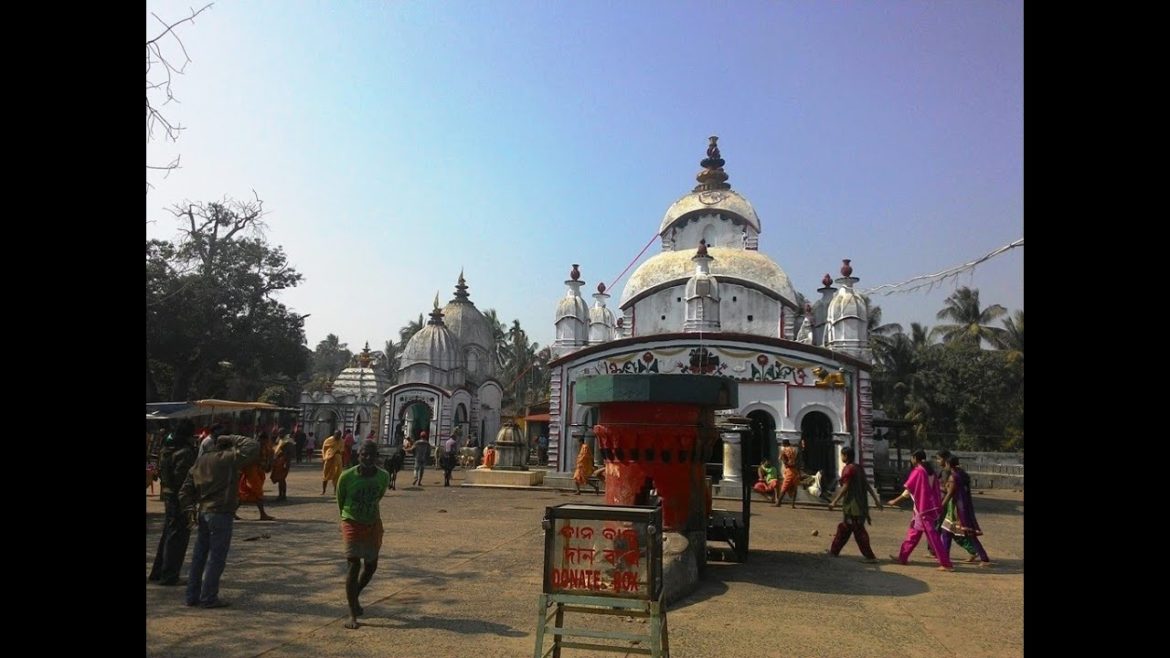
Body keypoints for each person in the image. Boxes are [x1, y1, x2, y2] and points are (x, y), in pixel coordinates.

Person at [179, 433, 260, 608]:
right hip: (221, 513)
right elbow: (253, 446)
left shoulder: (200, 461)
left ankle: (192, 596)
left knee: (199, 556)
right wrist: (232, 437)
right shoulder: (229, 459)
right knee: (216, 558)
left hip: (203, 511)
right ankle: (208, 597)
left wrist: (189, 509)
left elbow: (185, 490)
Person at [337, 440, 391, 630]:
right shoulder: (346, 476)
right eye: (363, 455)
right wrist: (348, 518)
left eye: (371, 455)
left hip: (372, 522)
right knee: (353, 564)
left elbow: (379, 496)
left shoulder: (383, 476)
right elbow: (340, 499)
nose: (367, 458)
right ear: (357, 456)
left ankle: (355, 594)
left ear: (377, 457)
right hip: (351, 521)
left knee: (371, 566)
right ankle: (352, 613)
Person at [148, 420, 198, 586]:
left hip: (169, 493)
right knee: (178, 535)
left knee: (169, 533)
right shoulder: (184, 452)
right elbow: (184, 479)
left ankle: (158, 571)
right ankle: (170, 575)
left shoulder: (166, 450)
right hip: (180, 496)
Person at [887, 450, 954, 571]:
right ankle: (903, 556)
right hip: (927, 507)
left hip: (923, 509)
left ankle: (946, 563)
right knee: (914, 533)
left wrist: (895, 501)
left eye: (912, 458)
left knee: (933, 537)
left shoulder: (918, 471)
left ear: (914, 458)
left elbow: (908, 491)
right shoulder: (930, 471)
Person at [827, 446, 883, 561]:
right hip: (859, 505)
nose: (841, 457)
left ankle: (870, 556)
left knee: (858, 532)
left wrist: (834, 501)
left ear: (846, 456)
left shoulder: (848, 469)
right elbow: (867, 485)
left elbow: (845, 487)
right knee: (845, 529)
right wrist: (876, 501)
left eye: (842, 455)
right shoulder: (859, 468)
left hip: (853, 506)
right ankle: (834, 550)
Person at [939, 455, 992, 566]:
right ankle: (944, 558)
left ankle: (984, 558)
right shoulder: (962, 474)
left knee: (967, 534)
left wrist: (940, 506)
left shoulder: (953, 477)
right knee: (947, 532)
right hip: (961, 508)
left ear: (949, 464)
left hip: (956, 510)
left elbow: (950, 494)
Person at [237, 432, 276, 521]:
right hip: (251, 472)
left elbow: (268, 458)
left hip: (258, 472)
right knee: (258, 493)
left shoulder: (266, 447)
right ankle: (263, 514)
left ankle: (233, 512)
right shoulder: (254, 448)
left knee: (246, 494)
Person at [270, 429, 293, 501]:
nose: (279, 435)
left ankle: (283, 495)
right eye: (279, 433)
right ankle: (281, 494)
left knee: (282, 479)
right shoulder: (280, 440)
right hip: (278, 462)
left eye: (281, 433)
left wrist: (286, 463)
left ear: (284, 433)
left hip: (284, 462)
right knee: (280, 479)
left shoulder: (288, 441)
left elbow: (288, 454)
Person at [777, 439, 800, 508]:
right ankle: (793, 504)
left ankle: (778, 503)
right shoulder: (794, 449)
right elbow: (797, 459)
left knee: (784, 487)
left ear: (784, 444)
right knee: (794, 487)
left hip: (789, 470)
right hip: (795, 471)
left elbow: (783, 460)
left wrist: (786, 463)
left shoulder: (784, 450)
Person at [321, 430, 344, 495]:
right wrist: (325, 457)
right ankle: (323, 490)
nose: (338, 437)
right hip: (329, 459)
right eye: (337, 435)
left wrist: (338, 452)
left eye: (340, 435)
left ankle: (335, 491)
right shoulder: (328, 440)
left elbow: (342, 450)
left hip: (338, 460)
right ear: (334, 434)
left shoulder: (341, 441)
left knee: (337, 475)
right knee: (325, 475)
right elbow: (324, 449)